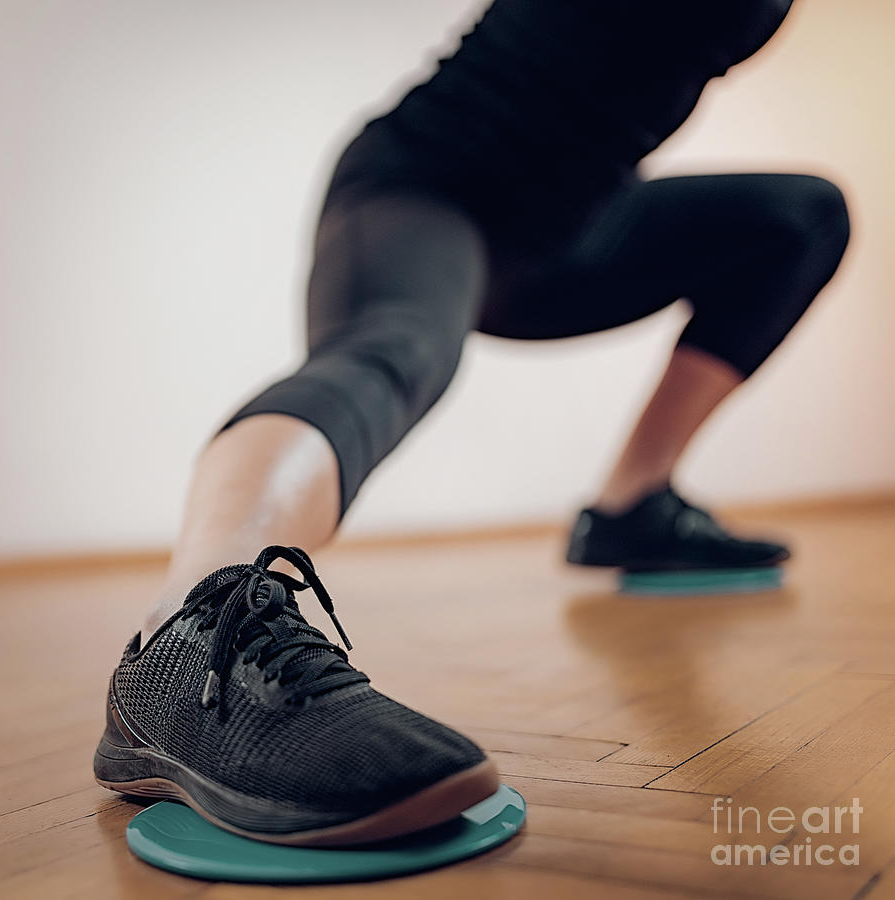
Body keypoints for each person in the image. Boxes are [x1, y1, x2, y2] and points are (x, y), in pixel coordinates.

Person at [94, 0, 850, 845]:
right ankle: (192, 634)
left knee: (802, 216)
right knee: (396, 349)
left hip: (569, 230)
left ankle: (633, 506)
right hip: (424, 185)